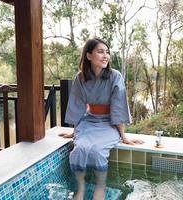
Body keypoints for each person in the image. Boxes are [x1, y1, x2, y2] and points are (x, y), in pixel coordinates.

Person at [58, 38, 144, 200]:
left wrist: (123, 136)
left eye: (107, 52)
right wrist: (74, 131)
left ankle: (100, 188)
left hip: (108, 124)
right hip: (88, 122)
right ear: (89, 55)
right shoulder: (81, 77)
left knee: (97, 151)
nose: (105, 56)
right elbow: (77, 106)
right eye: (100, 51)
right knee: (79, 150)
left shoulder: (115, 76)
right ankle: (81, 188)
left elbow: (119, 108)